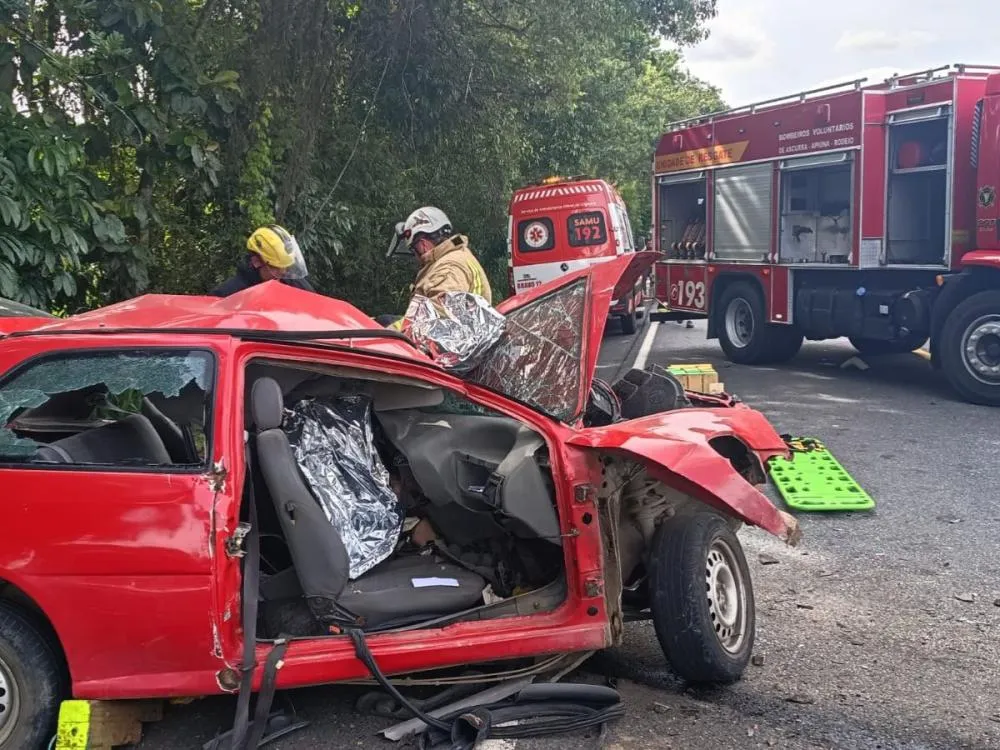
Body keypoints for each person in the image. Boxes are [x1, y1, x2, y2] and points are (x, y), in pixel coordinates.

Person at [383, 207, 491, 329]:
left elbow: (436, 318)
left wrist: (391, 332)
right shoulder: (457, 256)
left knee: (384, 325)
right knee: (384, 320)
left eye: (413, 249)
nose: (416, 257)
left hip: (453, 339)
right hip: (462, 334)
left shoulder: (448, 268)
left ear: (423, 245)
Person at [210, 224, 315, 297]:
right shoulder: (228, 294)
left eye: (286, 266)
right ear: (256, 262)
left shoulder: (294, 284)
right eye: (275, 268)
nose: (283, 272)